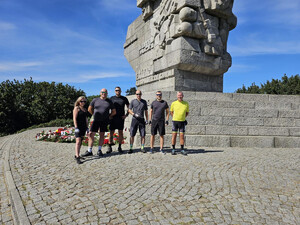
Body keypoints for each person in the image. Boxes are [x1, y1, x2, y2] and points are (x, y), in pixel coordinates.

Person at [81, 88, 116, 158]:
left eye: (105, 92)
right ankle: (89, 150)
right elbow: (89, 109)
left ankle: (99, 150)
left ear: (107, 93)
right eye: (102, 92)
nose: (104, 93)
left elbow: (114, 111)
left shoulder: (109, 101)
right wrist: (94, 114)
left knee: (102, 135)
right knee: (91, 134)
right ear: (100, 93)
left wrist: (109, 116)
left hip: (104, 120)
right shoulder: (95, 100)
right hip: (95, 120)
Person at [107, 87, 129, 154]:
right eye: (116, 90)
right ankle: (110, 146)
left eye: (118, 90)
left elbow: (129, 107)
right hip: (113, 118)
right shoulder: (111, 98)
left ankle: (119, 147)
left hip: (120, 118)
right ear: (115, 91)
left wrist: (126, 115)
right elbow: (107, 107)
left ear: (121, 91)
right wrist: (109, 115)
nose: (117, 91)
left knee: (120, 132)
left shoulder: (124, 98)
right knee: (111, 132)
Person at [170, 91, 189, 155]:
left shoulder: (186, 103)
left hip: (182, 122)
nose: (180, 96)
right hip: (175, 121)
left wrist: (182, 117)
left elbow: (187, 113)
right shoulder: (173, 103)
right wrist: (176, 117)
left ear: (183, 96)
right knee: (174, 136)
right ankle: (173, 149)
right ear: (177, 96)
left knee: (182, 136)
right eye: (178, 95)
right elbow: (171, 112)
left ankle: (182, 149)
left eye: (181, 95)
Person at [73, 96, 89, 164]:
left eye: (84, 101)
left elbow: (86, 119)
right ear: (79, 101)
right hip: (78, 127)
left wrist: (87, 127)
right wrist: (76, 127)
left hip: (83, 127)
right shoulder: (77, 108)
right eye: (81, 101)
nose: (83, 102)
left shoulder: (85, 109)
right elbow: (74, 118)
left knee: (81, 141)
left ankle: (78, 154)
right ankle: (77, 156)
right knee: (78, 141)